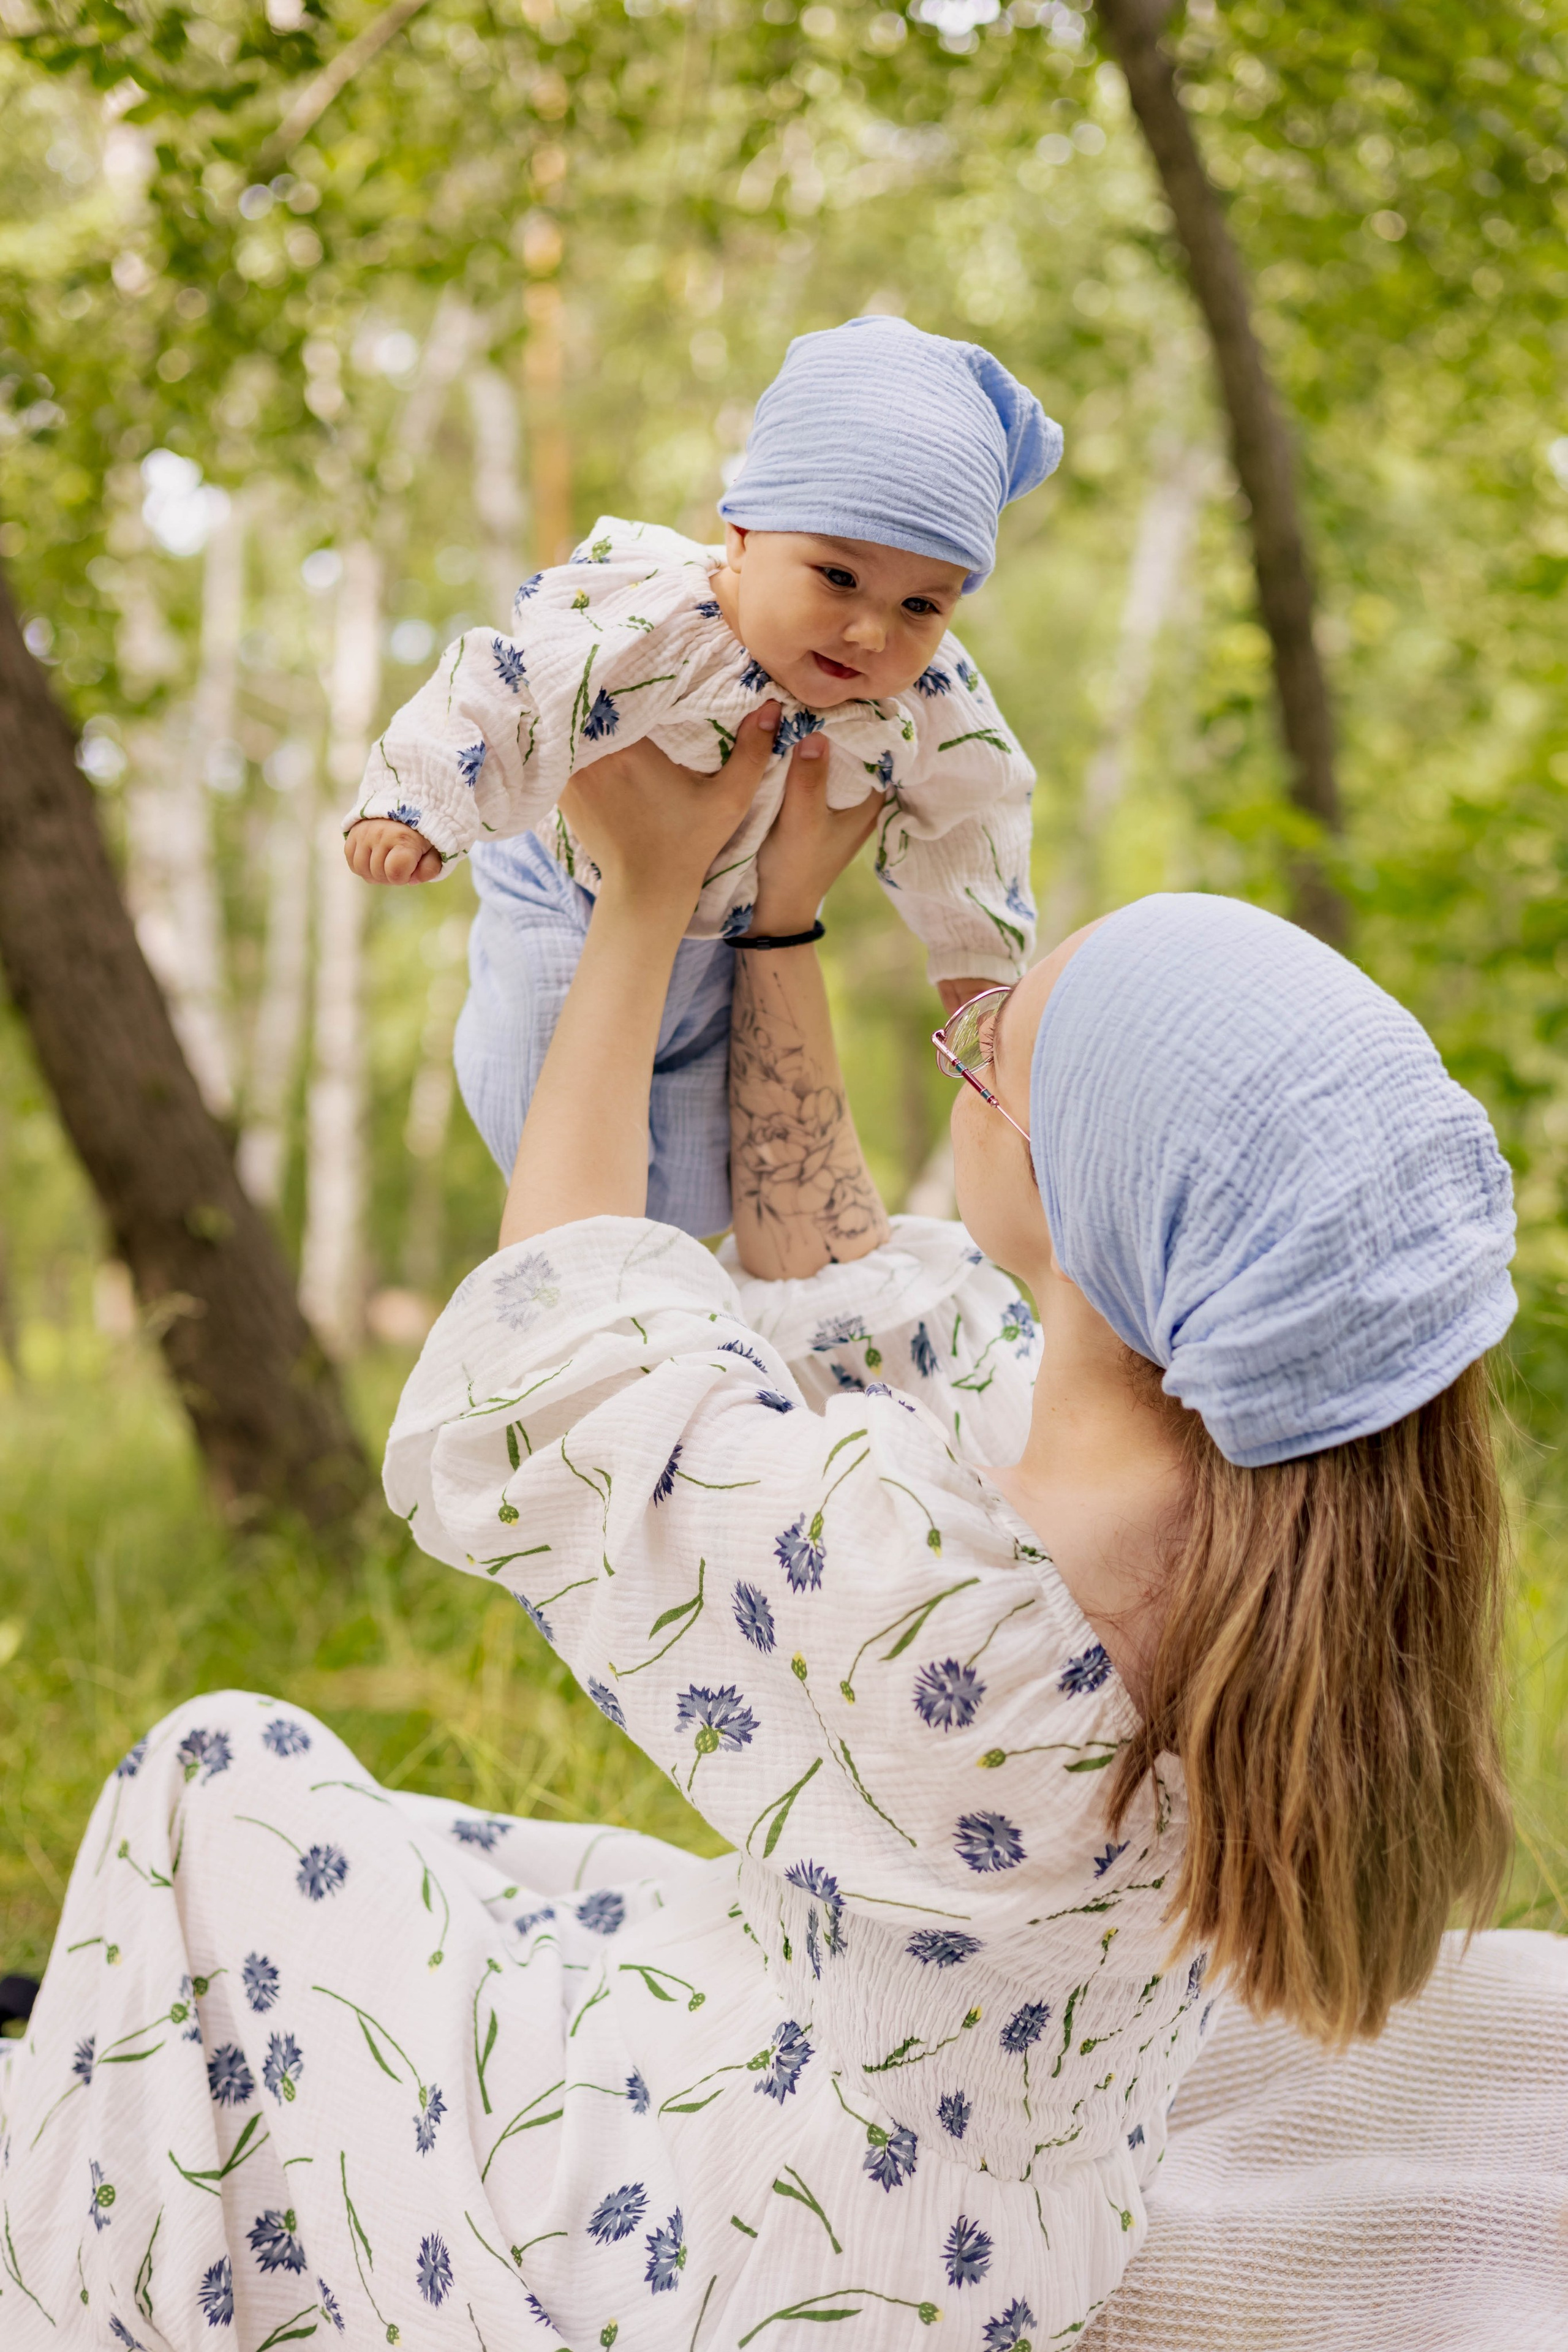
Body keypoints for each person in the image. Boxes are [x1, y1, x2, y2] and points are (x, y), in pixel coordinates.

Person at [3, 715, 1566, 2352]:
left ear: (1098, 1217)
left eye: (992, 1056)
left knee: (211, 1779)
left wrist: (642, 898)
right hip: (1002, 2244)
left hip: (773, 2262)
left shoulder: (950, 1628)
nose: (964, 1053)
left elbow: (566, 1363)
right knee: (487, 1899)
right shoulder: (1256, 1524)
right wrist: (775, 927)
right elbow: (852, 1298)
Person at [341, 314, 1061, 1238]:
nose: (871, 632)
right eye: (838, 578)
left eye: (921, 604)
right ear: (743, 537)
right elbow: (501, 687)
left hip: (725, 938)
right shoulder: (656, 619)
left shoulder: (934, 694)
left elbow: (978, 808)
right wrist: (415, 804)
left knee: (692, 1196)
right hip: (562, 896)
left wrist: (976, 962)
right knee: (546, 1122)